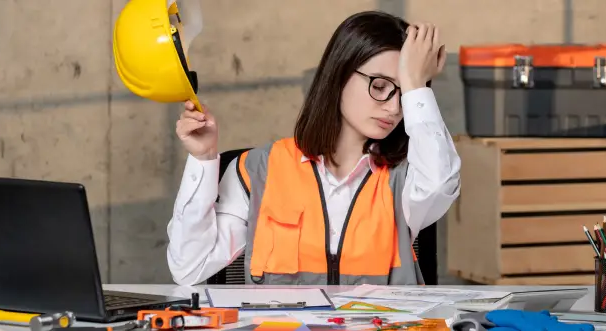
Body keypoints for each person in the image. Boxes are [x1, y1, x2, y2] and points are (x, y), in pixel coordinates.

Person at [166, 10, 461, 286]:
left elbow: (440, 184)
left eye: (404, 93)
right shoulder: (259, 171)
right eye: (381, 86)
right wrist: (203, 160)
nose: (395, 108)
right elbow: (189, 267)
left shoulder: (406, 178)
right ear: (339, 75)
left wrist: (417, 85)